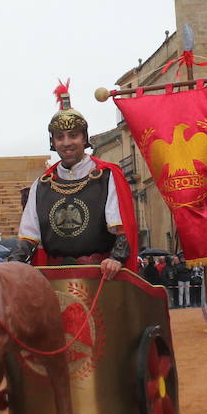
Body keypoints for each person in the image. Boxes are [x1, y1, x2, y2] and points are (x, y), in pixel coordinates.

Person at [14, 85, 137, 277]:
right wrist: (13, 263)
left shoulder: (106, 176)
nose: (67, 143)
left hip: (101, 275)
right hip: (54, 278)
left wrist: (116, 258)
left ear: (84, 138)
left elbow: (122, 229)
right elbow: (29, 237)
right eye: (60, 137)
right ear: (53, 142)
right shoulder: (42, 184)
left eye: (73, 135)